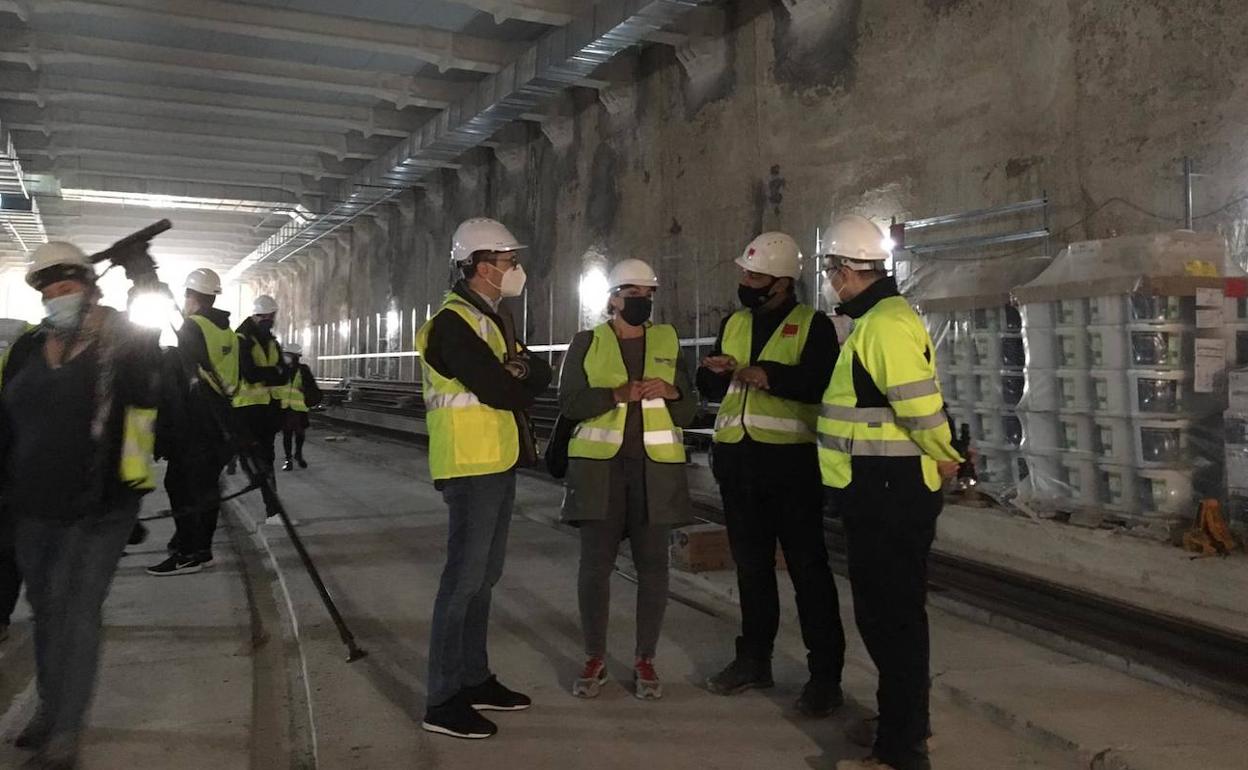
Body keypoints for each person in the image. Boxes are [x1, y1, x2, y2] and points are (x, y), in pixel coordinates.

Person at [0, 241, 162, 769]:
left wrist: (147, 282)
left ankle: (67, 730)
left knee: (76, 611)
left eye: (64, 286)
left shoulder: (124, 341)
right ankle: (50, 709)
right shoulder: (28, 348)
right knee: (44, 610)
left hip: (99, 505)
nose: (55, 297)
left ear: (89, 285)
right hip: (31, 503)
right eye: (47, 289)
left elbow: (156, 377)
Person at [817, 216, 962, 770]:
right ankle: (904, 723)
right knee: (891, 615)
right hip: (878, 487)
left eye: (833, 271)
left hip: (888, 490)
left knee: (890, 618)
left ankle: (900, 752)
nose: (832, 282)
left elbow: (918, 407)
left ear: (852, 272)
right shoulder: (879, 320)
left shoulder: (883, 325)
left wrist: (946, 455)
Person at [697, 232, 847, 717]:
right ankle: (753, 660)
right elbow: (706, 385)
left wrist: (770, 376)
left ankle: (824, 678)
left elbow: (819, 383)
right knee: (751, 569)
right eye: (744, 273)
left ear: (783, 283)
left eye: (755, 276)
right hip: (738, 464)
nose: (746, 282)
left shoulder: (813, 325)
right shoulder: (734, 323)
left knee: (808, 572)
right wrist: (716, 370)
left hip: (790, 467)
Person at [415, 217, 552, 740]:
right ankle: (443, 697)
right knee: (462, 581)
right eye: (507, 261)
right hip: (469, 466)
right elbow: (505, 389)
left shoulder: (492, 320)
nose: (515, 270)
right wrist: (515, 374)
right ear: (477, 265)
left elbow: (534, 374)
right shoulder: (453, 323)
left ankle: (473, 677)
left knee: (485, 578)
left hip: (496, 461)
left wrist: (516, 372)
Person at [558, 259, 696, 701]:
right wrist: (615, 395)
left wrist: (672, 393)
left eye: (648, 293)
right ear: (613, 298)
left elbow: (690, 409)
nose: (642, 300)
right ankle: (595, 657)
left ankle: (645, 659)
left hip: (655, 471)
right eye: (633, 292)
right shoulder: (587, 342)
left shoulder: (669, 341)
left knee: (654, 568)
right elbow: (570, 403)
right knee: (594, 568)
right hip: (600, 471)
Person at [147, 268, 238, 576]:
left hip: (197, 424)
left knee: (180, 486)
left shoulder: (193, 327)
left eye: (186, 295)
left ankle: (188, 553)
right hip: (220, 421)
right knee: (207, 488)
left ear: (193, 296)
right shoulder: (226, 330)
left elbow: (186, 382)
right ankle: (202, 549)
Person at [234, 294, 287, 520]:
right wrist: (272, 374)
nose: (270, 320)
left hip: (267, 409)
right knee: (257, 460)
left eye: (272, 317)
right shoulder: (241, 339)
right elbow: (249, 372)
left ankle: (272, 510)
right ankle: (272, 507)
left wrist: (270, 375)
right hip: (246, 409)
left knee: (266, 458)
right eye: (267, 317)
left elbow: (283, 372)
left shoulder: (271, 341)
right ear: (257, 316)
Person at [277, 343, 321, 471]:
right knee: (287, 434)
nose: (286, 357)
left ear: (295, 356)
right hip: (285, 407)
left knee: (300, 434)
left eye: (288, 355)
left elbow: (312, 386)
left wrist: (305, 392)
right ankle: (288, 459)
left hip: (299, 408)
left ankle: (298, 454)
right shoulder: (281, 370)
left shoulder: (303, 370)